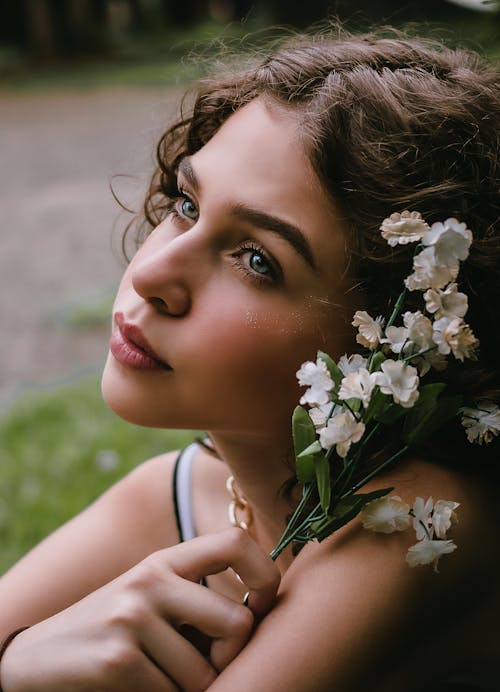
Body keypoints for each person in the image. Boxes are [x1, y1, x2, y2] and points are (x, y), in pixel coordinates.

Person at [0, 25, 499, 692]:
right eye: (186, 205)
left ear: (388, 345)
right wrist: (17, 663)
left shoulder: (416, 518)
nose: (152, 273)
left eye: (259, 260)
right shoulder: (175, 495)